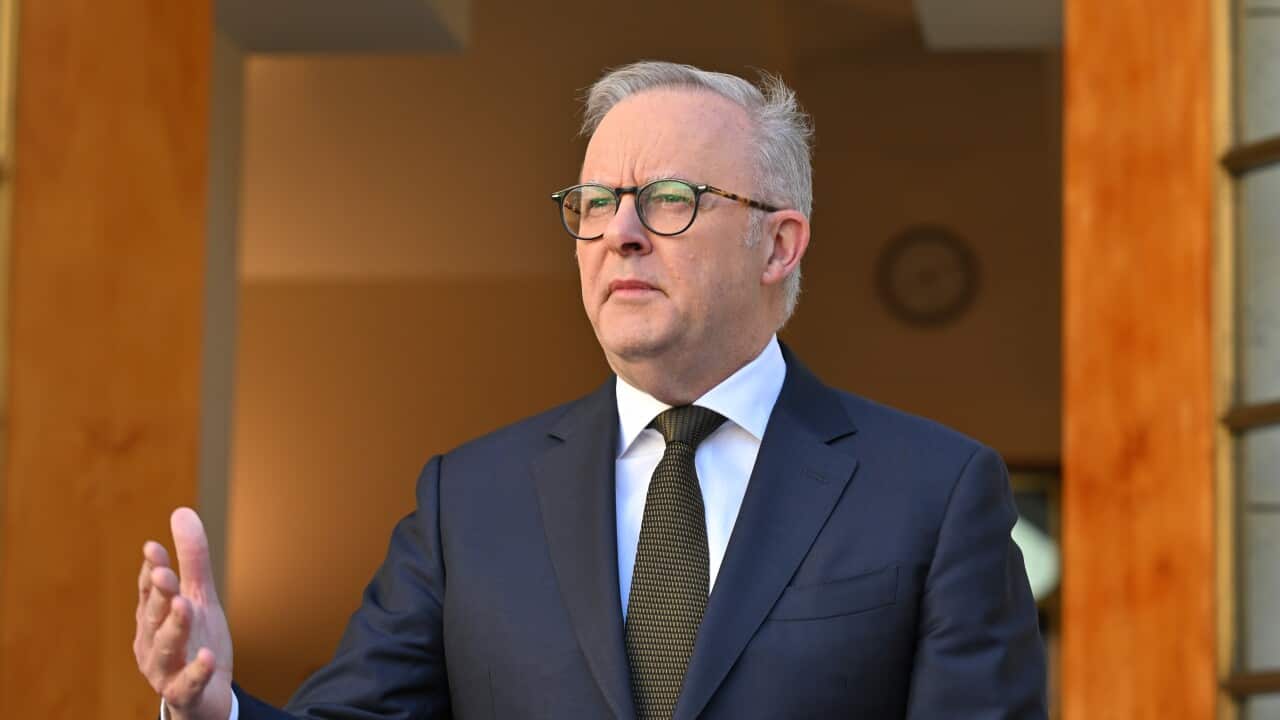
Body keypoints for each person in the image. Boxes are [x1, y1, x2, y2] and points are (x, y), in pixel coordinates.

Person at [133, 60, 1047, 719]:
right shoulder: (470, 502)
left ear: (778, 245)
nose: (621, 233)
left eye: (671, 198)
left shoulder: (933, 492)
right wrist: (213, 708)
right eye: (596, 203)